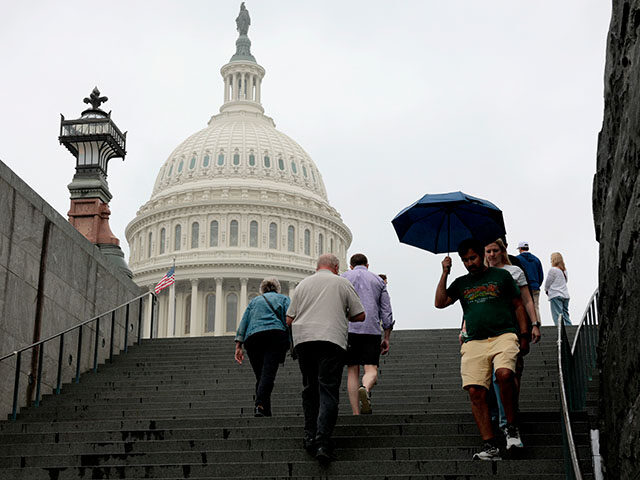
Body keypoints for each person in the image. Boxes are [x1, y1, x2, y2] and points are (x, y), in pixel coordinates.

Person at [435, 238, 529, 461]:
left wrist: (524, 334)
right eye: (465, 260)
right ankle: (490, 445)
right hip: (474, 342)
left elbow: (518, 304)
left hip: (503, 335)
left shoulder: (502, 276)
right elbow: (440, 302)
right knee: (476, 391)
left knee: (504, 374)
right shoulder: (461, 283)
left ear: (482, 255)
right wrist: (445, 272)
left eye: (473, 258)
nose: (470, 263)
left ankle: (511, 428)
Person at [286, 254, 365, 463]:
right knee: (328, 390)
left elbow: (288, 318)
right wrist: (341, 313)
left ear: (317, 266)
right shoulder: (341, 283)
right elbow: (360, 315)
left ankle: (309, 435)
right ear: (337, 267)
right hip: (331, 340)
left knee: (310, 388)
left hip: (304, 340)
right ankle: (322, 441)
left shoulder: (302, 285)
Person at [484, 239, 540, 433]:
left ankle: (510, 412)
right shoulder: (480, 274)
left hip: (513, 327)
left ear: (502, 251)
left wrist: (534, 324)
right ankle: (500, 413)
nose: (491, 255)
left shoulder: (514, 271)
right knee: (491, 374)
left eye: (495, 251)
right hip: (486, 330)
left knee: (512, 372)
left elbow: (527, 300)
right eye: (488, 251)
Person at [342, 254, 394, 415]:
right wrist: (386, 336)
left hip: (349, 330)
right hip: (371, 330)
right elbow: (386, 312)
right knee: (371, 369)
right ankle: (365, 387)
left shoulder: (342, 278)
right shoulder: (377, 281)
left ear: (351, 266)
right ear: (368, 265)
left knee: (352, 371)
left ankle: (356, 413)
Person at [234, 277, 290, 417]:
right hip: (274, 337)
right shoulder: (283, 299)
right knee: (267, 375)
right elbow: (290, 320)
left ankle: (265, 410)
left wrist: (238, 345)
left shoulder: (254, 301)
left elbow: (244, 322)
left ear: (262, 289)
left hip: (253, 339)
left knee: (261, 376)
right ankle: (259, 404)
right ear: (277, 288)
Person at [516, 242, 544, 325]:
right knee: (535, 306)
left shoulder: (517, 259)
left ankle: (528, 325)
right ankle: (538, 324)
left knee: (525, 306)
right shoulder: (536, 259)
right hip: (535, 286)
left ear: (520, 249)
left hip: (523, 287)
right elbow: (541, 275)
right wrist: (537, 284)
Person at [544, 252, 571, 325]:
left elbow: (548, 283)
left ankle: (561, 332)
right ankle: (570, 330)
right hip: (565, 295)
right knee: (566, 315)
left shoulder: (553, 270)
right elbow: (566, 281)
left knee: (558, 316)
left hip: (555, 295)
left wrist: (546, 290)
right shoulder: (564, 271)